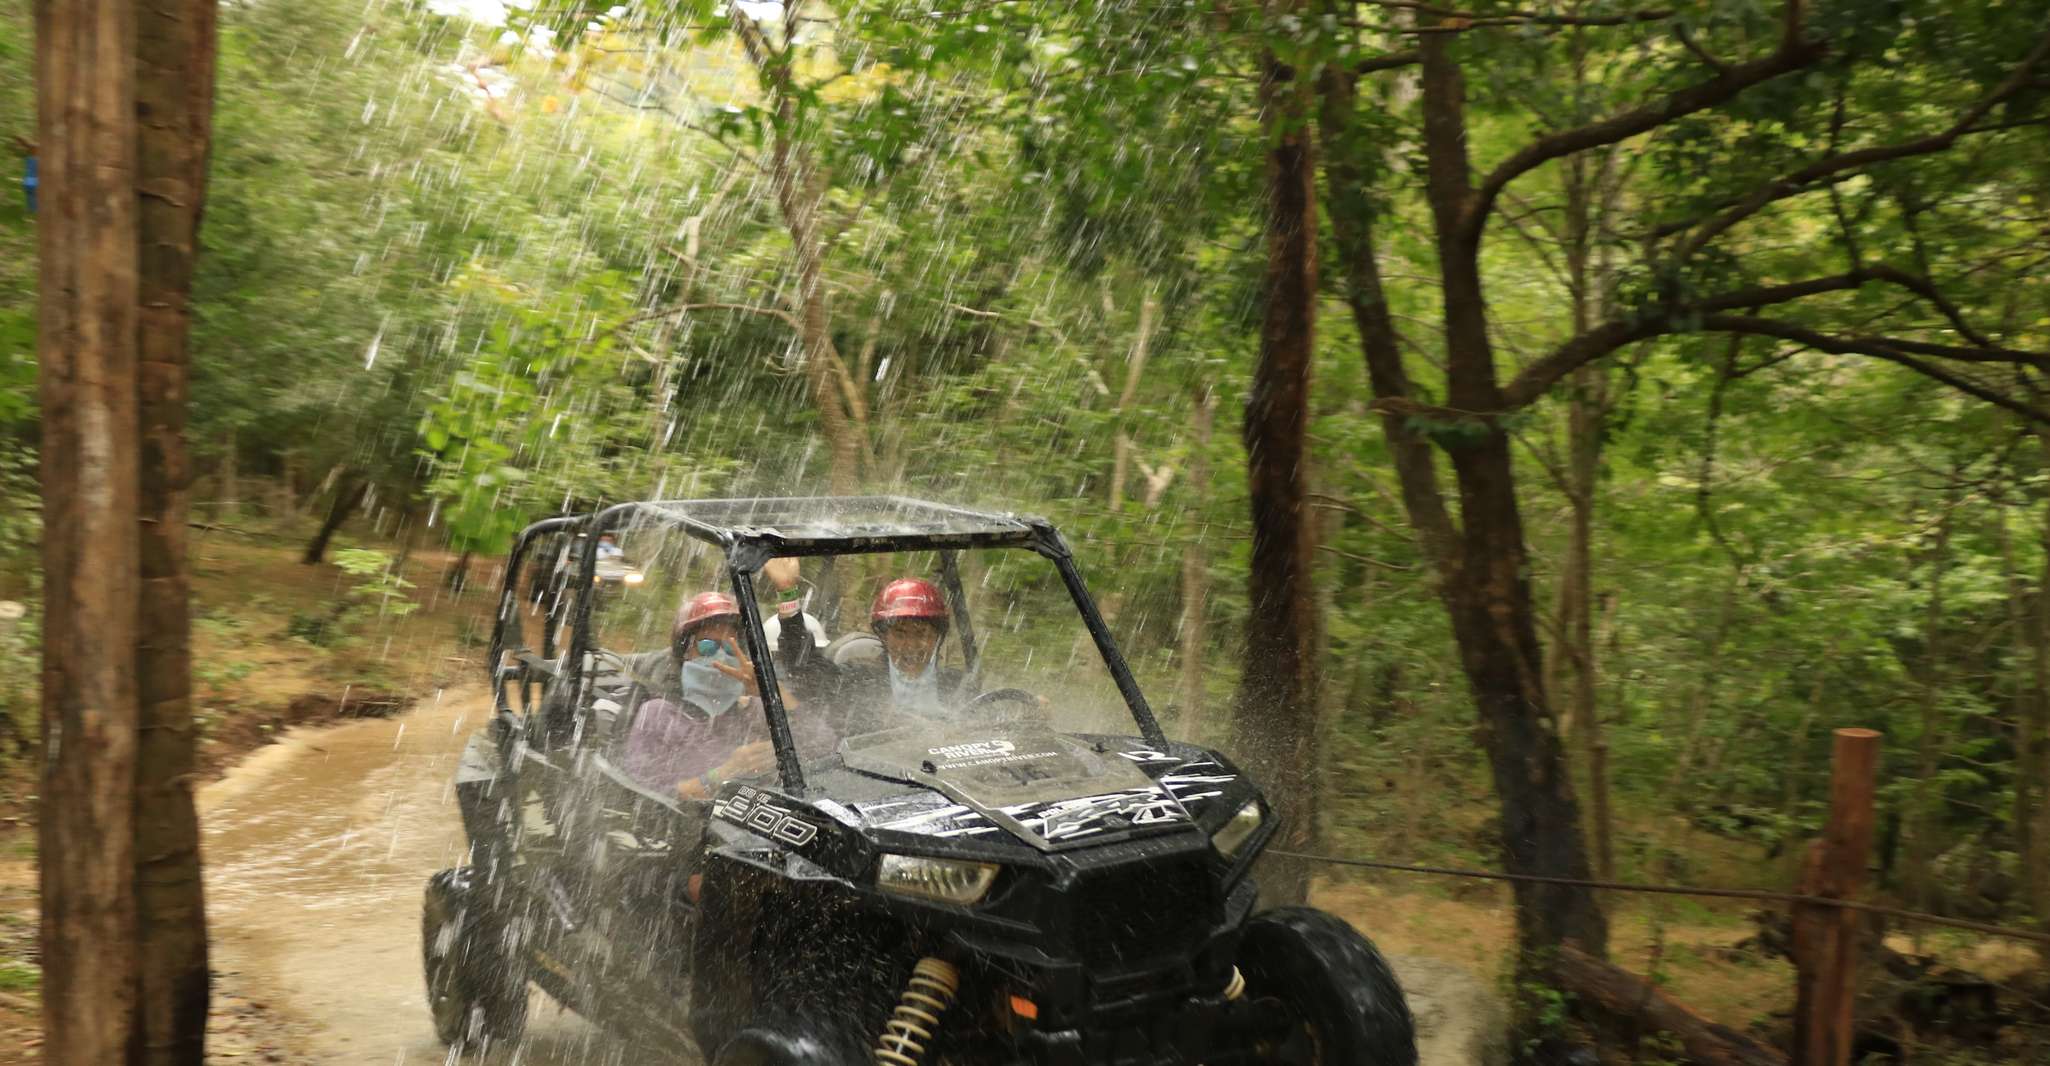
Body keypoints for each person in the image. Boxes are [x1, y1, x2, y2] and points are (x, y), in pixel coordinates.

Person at [620, 590, 804, 801]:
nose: (719, 658)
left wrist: (771, 690)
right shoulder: (658, 715)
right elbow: (644, 796)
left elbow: (823, 745)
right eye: (707, 647)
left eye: (729, 648)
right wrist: (725, 773)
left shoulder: (756, 711)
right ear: (686, 652)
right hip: (693, 829)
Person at [761, 559, 963, 723]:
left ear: (937, 637)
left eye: (921, 634)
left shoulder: (959, 685)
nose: (910, 645)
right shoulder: (859, 682)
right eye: (900, 634)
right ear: (884, 637)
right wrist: (788, 593)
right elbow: (804, 668)